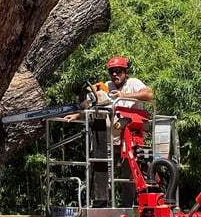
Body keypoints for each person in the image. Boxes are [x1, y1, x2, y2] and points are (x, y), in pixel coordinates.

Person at [64, 56, 155, 208]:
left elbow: (149, 95)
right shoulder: (106, 86)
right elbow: (93, 104)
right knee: (101, 169)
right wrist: (77, 114)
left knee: (129, 174)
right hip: (110, 139)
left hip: (130, 140)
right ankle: (100, 203)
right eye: (111, 72)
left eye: (118, 71)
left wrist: (124, 95)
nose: (114, 75)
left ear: (125, 71)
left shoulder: (133, 83)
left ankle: (127, 206)